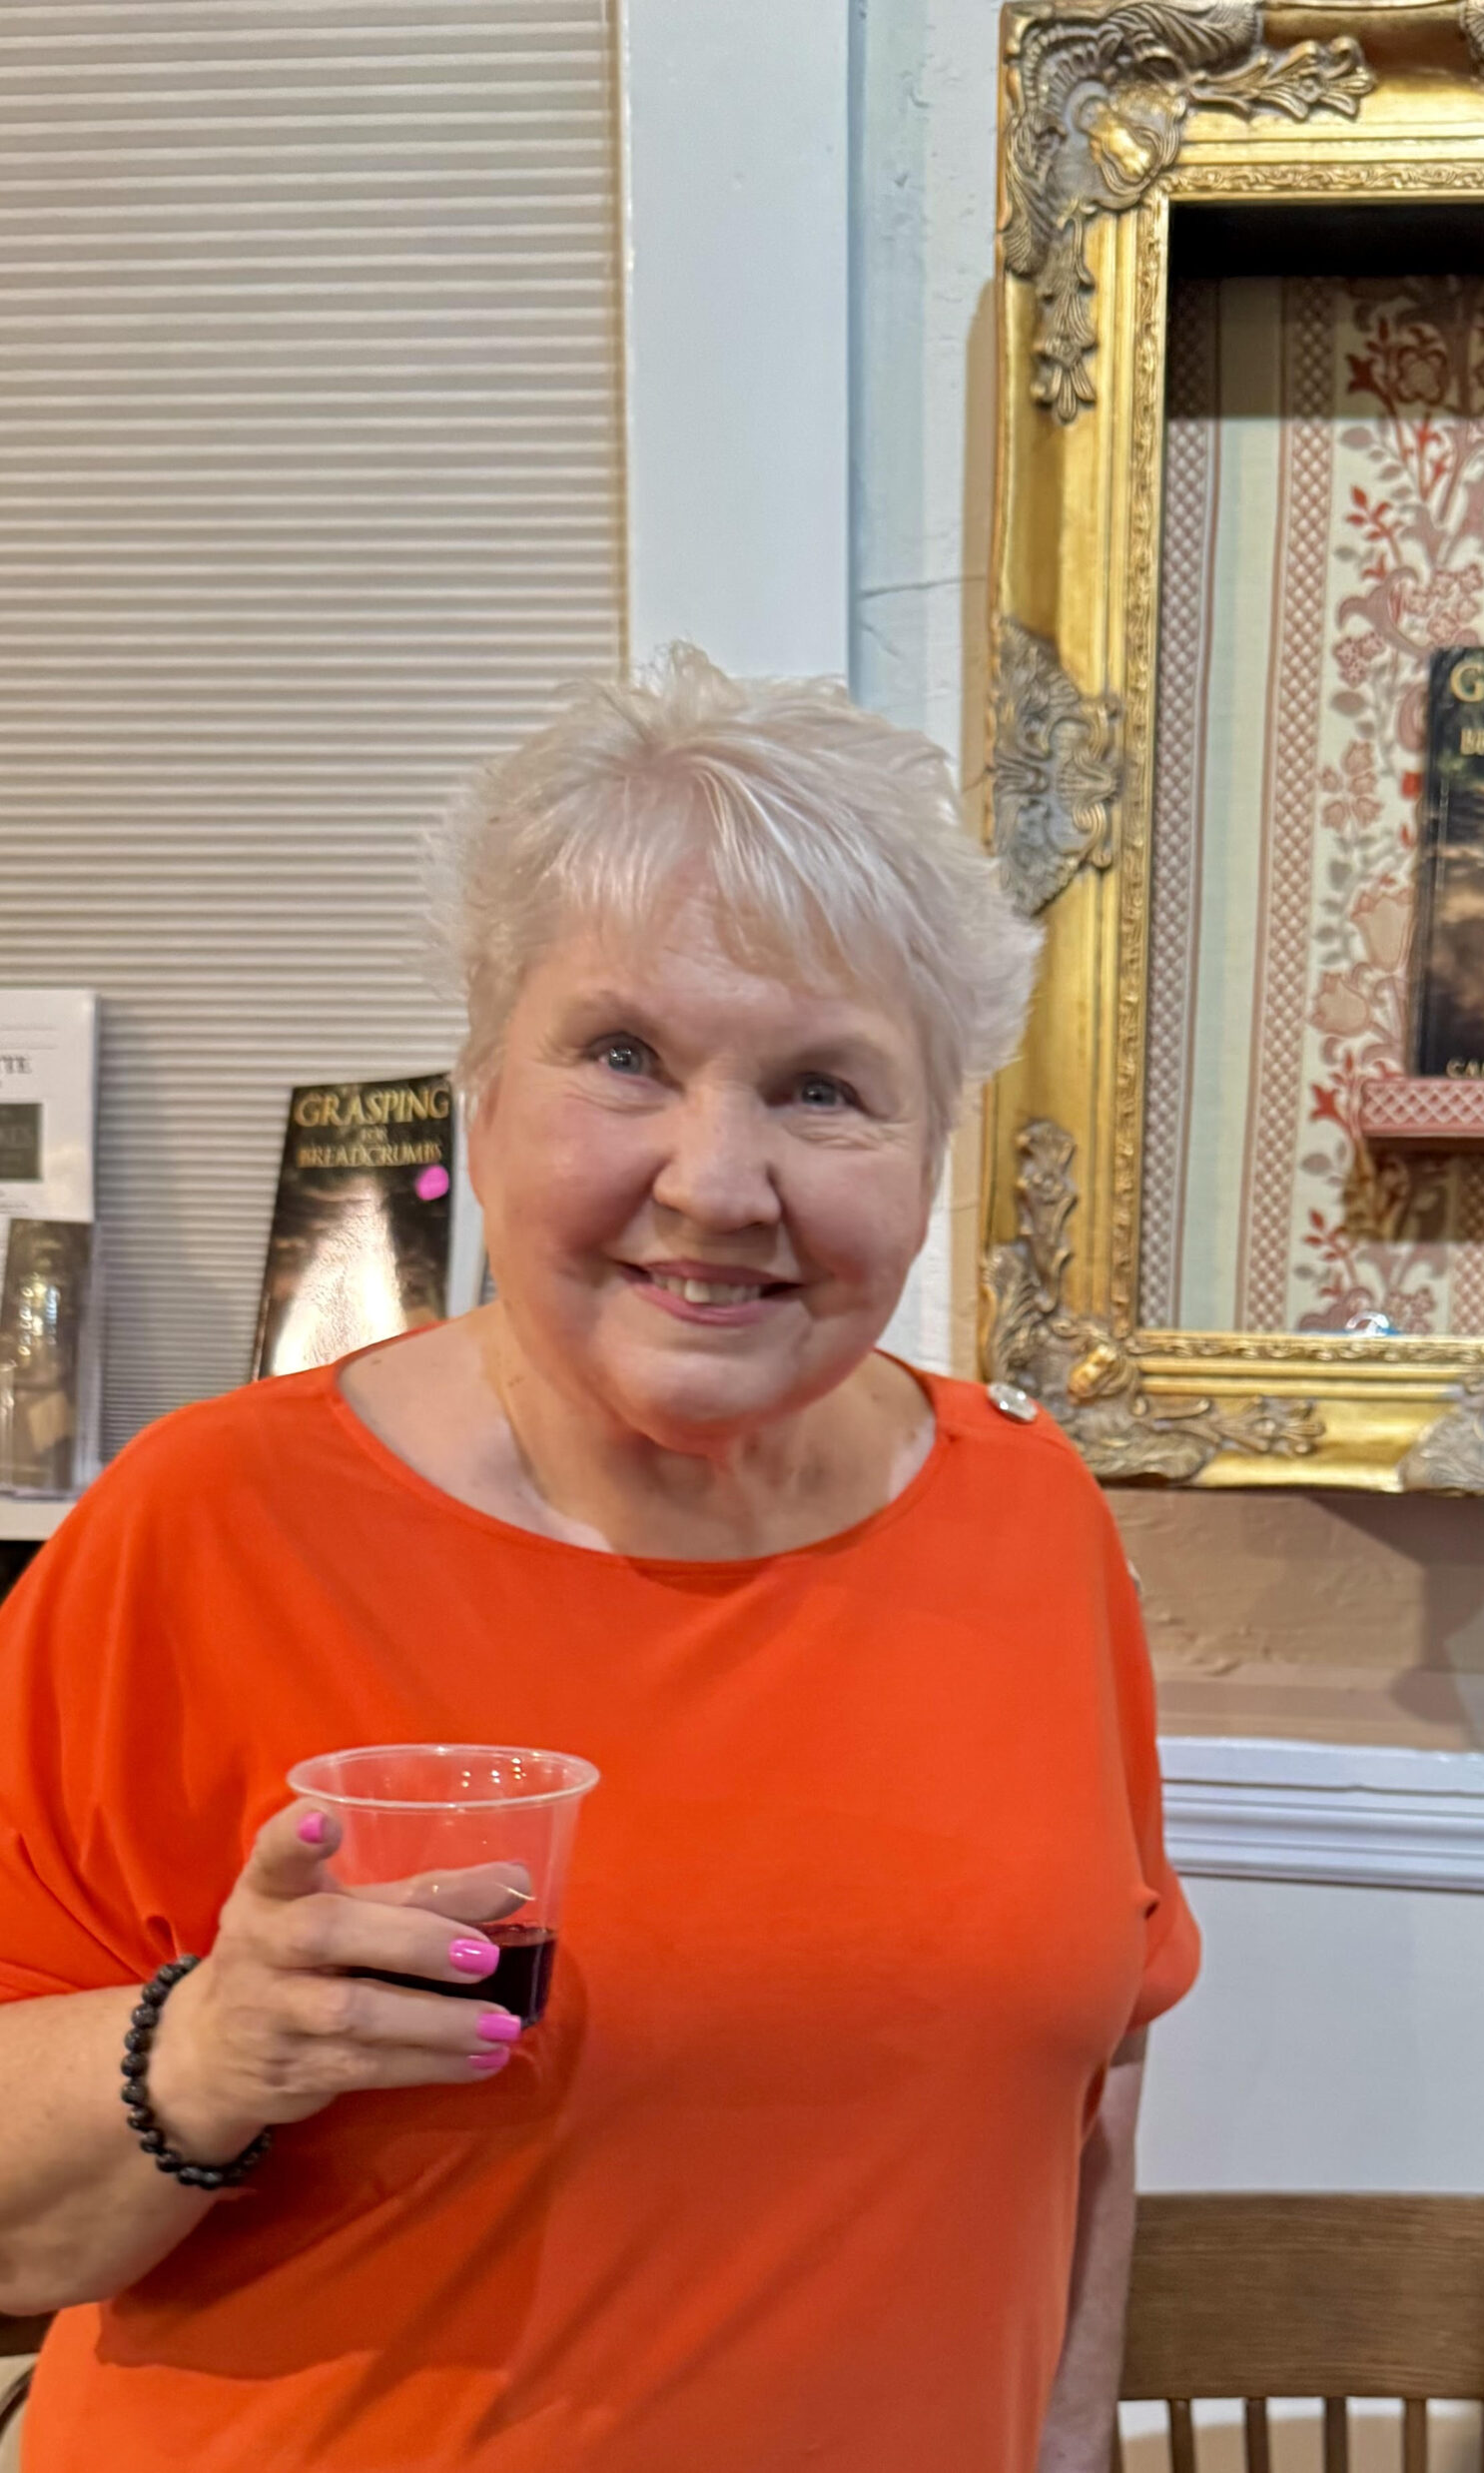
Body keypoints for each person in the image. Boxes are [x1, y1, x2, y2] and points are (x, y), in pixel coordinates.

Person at [0, 648, 1197, 2472]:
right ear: (484, 1097)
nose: (719, 1180)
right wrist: (214, 2047)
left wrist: (1064, 2444)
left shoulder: (1030, 1519)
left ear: (930, 1149)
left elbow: (1090, 2077)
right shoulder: (206, 1528)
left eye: (824, 1090)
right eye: (624, 1056)